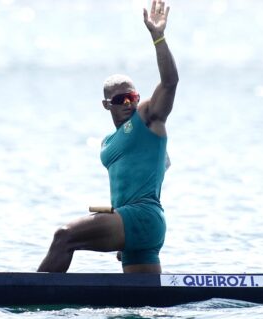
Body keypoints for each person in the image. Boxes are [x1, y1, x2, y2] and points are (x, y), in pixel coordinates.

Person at [37, 0, 178, 273]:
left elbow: (170, 82)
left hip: (142, 217)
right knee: (144, 305)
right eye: (120, 99)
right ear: (106, 104)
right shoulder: (107, 142)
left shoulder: (148, 118)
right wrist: (116, 225)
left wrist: (158, 37)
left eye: (132, 97)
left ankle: (23, 302)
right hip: (130, 224)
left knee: (64, 237)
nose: (128, 103)